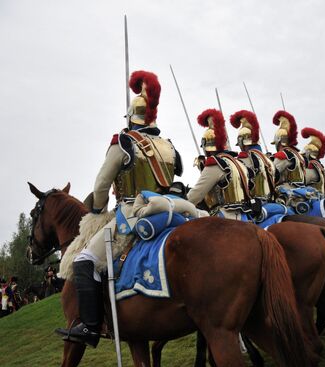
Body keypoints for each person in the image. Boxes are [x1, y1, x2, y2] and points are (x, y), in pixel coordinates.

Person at [55, 70, 183, 347]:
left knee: (84, 260)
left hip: (131, 215)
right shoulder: (168, 146)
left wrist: (98, 210)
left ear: (130, 117)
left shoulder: (123, 142)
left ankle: (90, 327)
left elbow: (101, 186)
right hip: (168, 211)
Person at [187, 108, 252, 219]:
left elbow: (195, 196)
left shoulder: (216, 163)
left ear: (206, 146)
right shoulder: (239, 163)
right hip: (245, 216)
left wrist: (180, 202)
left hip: (223, 216)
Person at [230, 110, 275, 202]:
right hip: (271, 200)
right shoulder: (268, 159)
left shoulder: (244, 158)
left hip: (255, 204)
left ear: (241, 142)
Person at [301, 127, 325, 196]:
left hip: (313, 199)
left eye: (304, 154)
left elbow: (301, 180)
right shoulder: (320, 167)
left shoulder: (311, 166)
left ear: (308, 153)